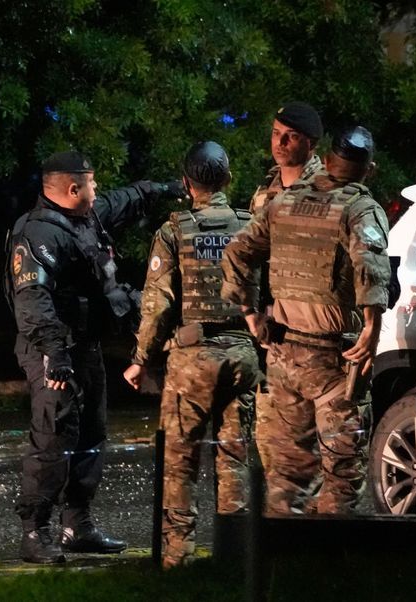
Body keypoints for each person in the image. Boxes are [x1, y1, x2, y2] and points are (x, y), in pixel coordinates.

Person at [7, 150, 185, 563]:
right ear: (73, 188)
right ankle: (34, 532)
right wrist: (54, 353)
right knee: (53, 437)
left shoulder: (84, 217)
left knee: (91, 434)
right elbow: (32, 300)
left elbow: (124, 200)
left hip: (84, 346)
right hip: (51, 350)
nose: (97, 188)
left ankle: (78, 525)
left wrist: (165, 189)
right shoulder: (38, 234)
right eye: (91, 182)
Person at [221, 127, 391, 515]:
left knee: (286, 477)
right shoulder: (360, 208)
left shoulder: (285, 202)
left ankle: (282, 568)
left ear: (328, 160)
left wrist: (250, 314)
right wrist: (372, 325)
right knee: (341, 476)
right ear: (369, 170)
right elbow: (371, 263)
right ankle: (324, 567)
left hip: (283, 356)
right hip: (335, 360)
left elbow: (237, 252)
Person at [123, 141, 260, 568]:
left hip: (193, 360)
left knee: (179, 461)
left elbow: (157, 304)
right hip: (243, 353)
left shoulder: (174, 231)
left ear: (187, 184)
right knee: (235, 456)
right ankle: (234, 558)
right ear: (228, 179)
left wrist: (140, 358)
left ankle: (177, 560)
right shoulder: (250, 225)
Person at [249, 101, 325, 213]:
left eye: (292, 136)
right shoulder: (267, 183)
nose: (280, 142)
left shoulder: (326, 188)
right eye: (276, 133)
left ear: (311, 143)